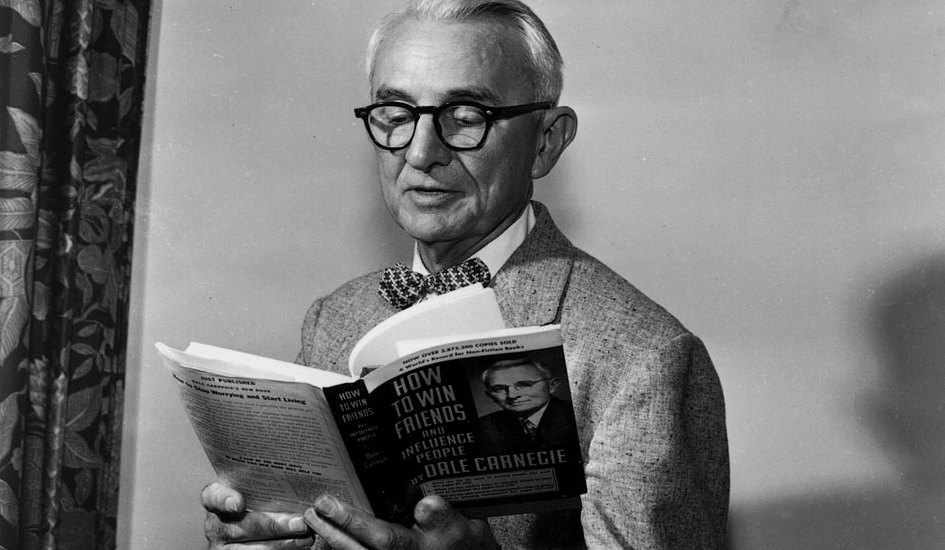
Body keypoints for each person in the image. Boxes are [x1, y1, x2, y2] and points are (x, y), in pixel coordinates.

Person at [201, 0, 729, 548]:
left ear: (545, 141)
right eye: (397, 115)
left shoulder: (645, 357)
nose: (420, 153)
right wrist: (259, 537)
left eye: (467, 116)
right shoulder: (333, 320)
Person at [476, 357, 578, 453]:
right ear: (490, 395)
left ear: (552, 386)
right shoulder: (484, 426)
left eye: (524, 385)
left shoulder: (576, 414)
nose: (512, 395)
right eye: (499, 389)